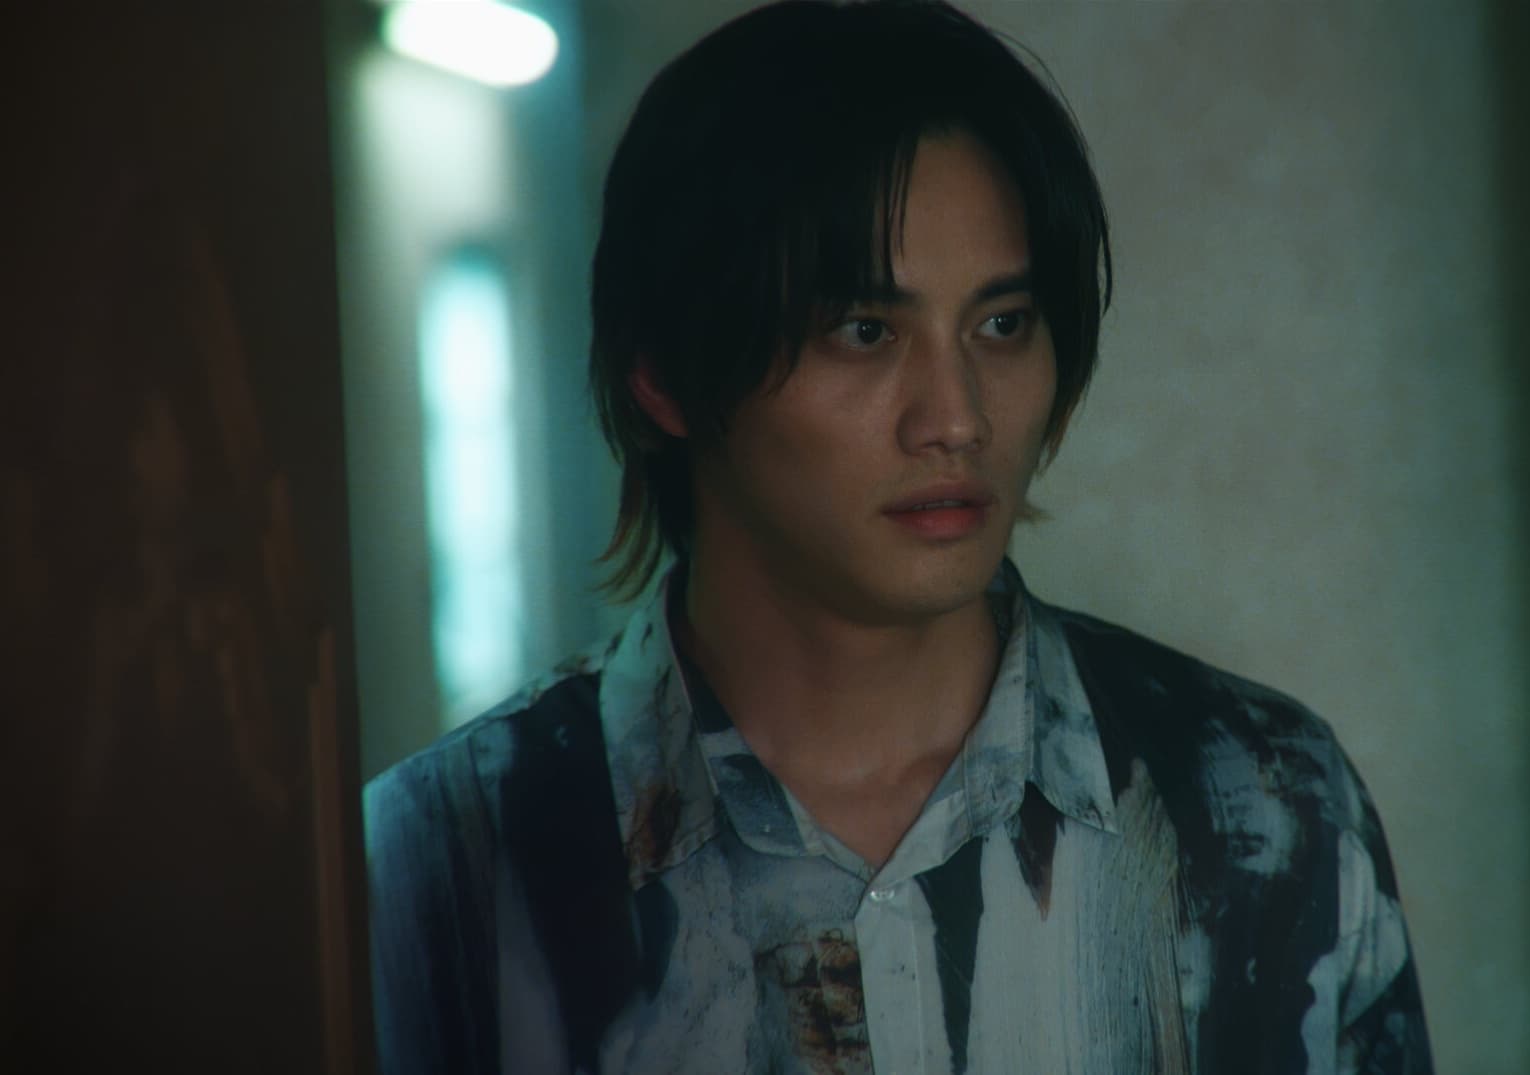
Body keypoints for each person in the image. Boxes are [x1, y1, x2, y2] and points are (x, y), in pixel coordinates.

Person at [363, 1, 1433, 1072]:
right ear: (667, 374)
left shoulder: (1266, 803)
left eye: (1001, 325)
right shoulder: (440, 855)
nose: (956, 418)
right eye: (865, 331)